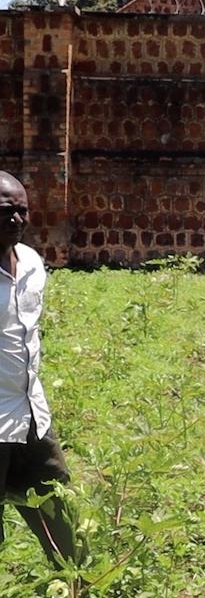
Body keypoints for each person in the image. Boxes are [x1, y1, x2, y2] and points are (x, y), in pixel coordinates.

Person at [0, 170, 77, 568]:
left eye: (22, 211)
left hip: (31, 414)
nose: (16, 220)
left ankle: (75, 593)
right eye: (5, 212)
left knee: (58, 507)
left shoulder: (31, 262)